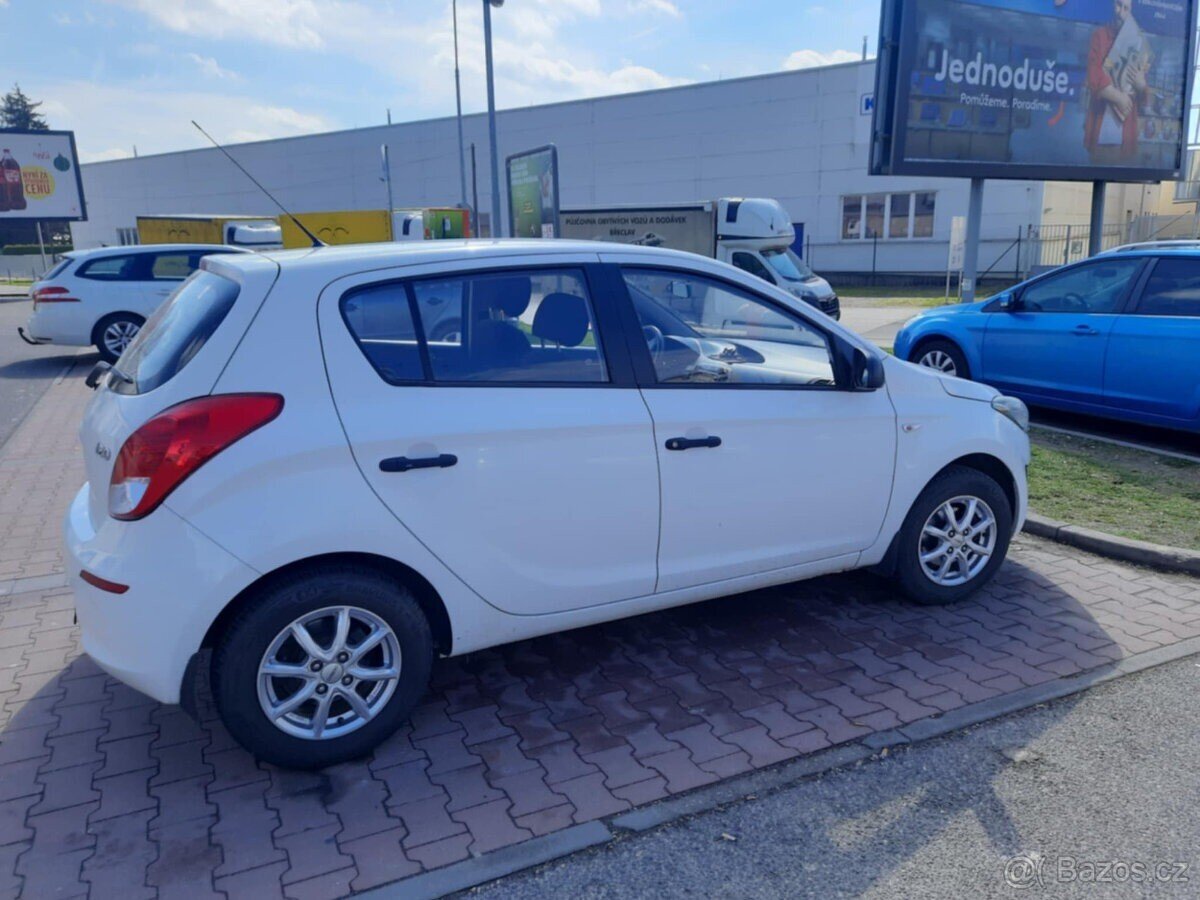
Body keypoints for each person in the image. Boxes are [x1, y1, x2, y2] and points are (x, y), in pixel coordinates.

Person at [1085, 0, 1150, 164]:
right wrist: (1118, 97)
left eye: (1126, 8)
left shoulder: (1139, 43)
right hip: (1099, 136)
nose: (1121, 11)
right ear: (1112, 5)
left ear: (1130, 12)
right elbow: (1093, 77)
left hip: (1125, 141)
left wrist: (1142, 86)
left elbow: (1144, 102)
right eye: (1118, 5)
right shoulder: (1099, 36)